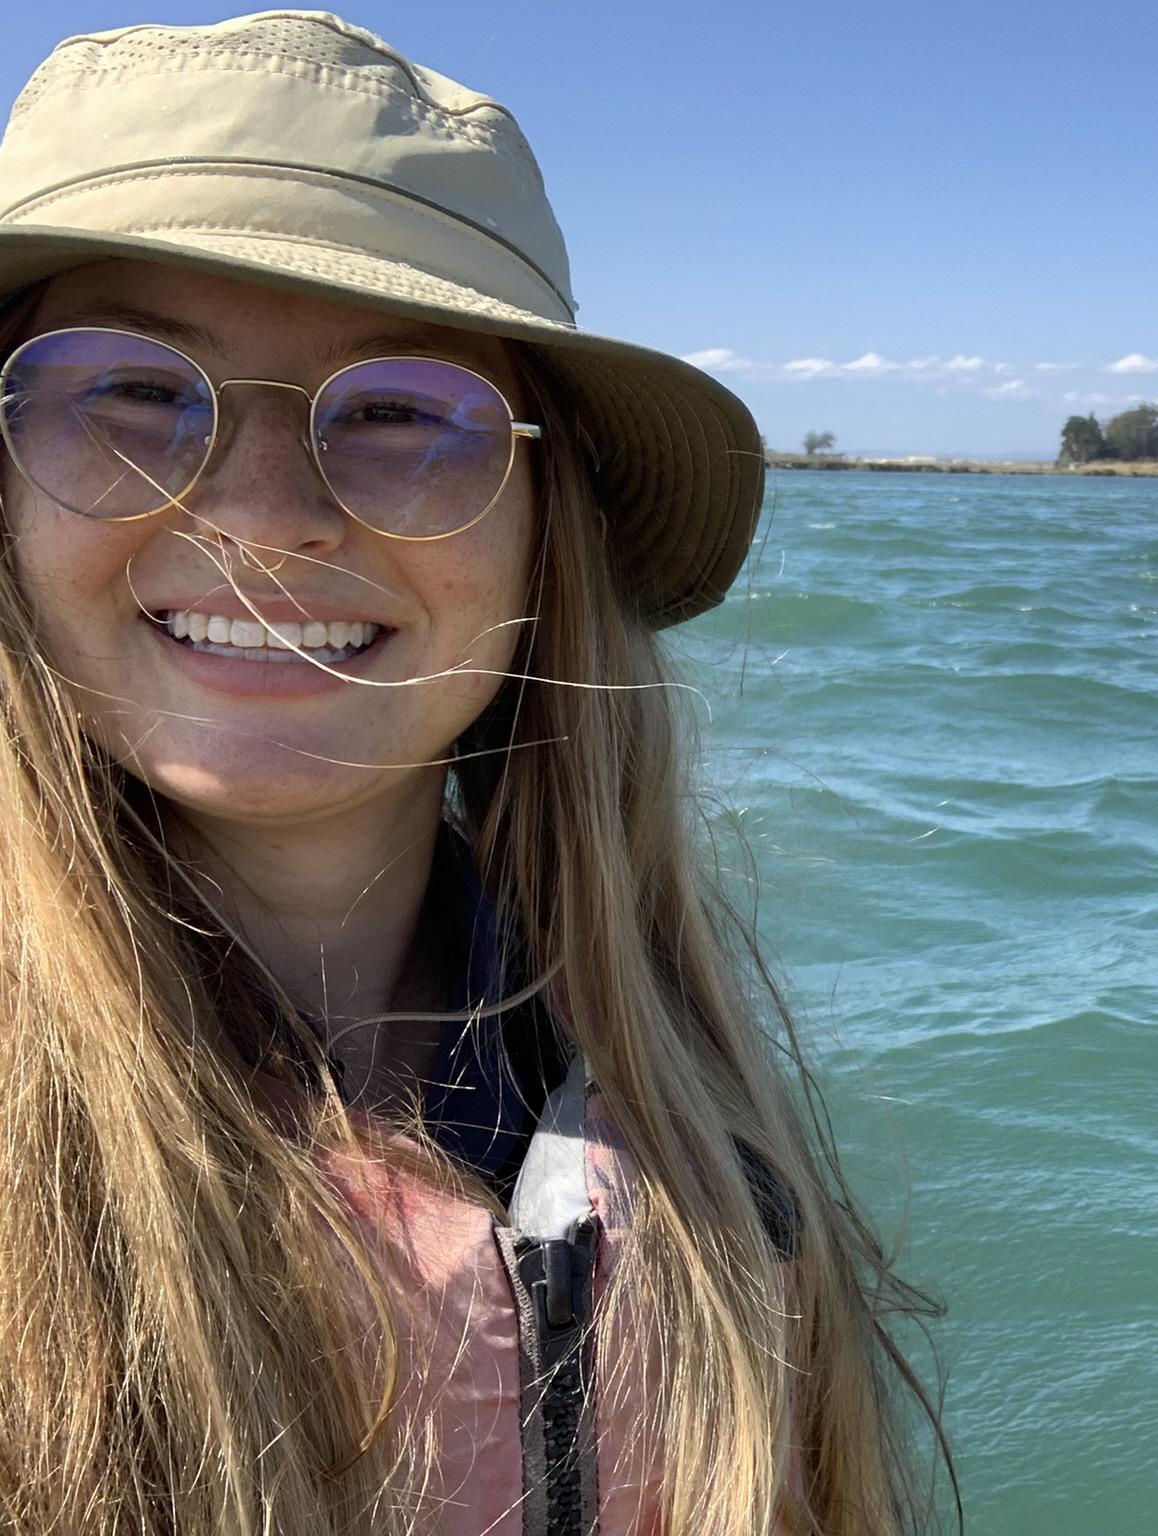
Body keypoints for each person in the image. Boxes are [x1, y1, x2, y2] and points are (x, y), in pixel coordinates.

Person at [0, 13, 946, 1535]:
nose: (267, 514)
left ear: (537, 531)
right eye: (126, 386)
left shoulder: (701, 1127)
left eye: (395, 411)